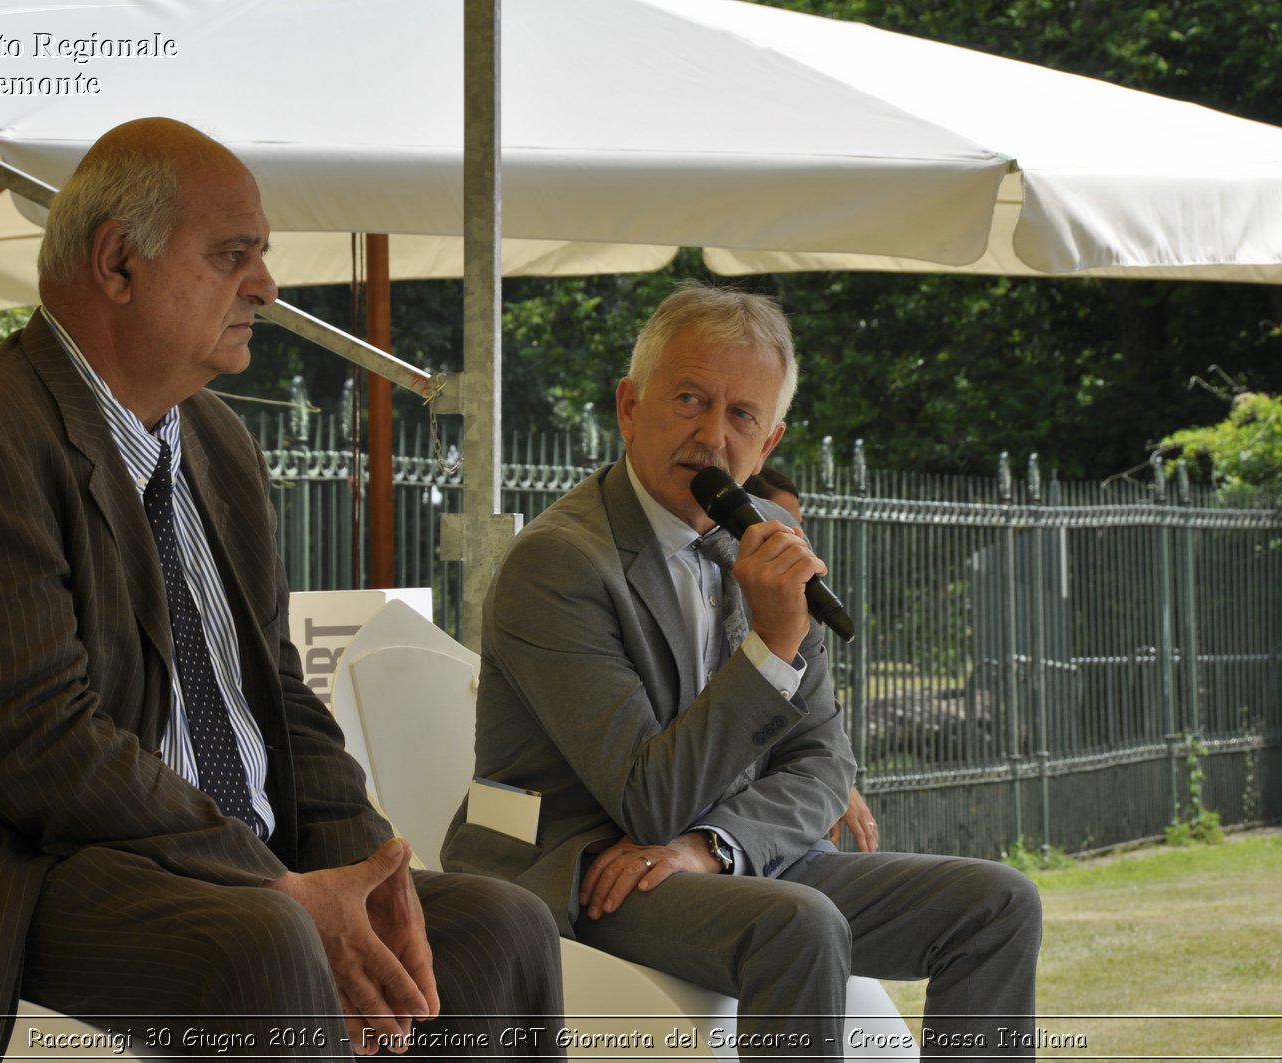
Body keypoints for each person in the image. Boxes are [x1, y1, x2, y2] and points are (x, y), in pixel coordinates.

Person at [0, 118, 562, 1061]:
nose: (266, 287)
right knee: (264, 940)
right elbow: (31, 746)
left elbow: (275, 690)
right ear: (119, 263)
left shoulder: (215, 441)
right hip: (13, 879)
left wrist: (370, 872)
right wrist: (271, 883)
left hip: (200, 867)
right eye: (233, 255)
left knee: (501, 927)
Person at [443, 283, 1041, 1058]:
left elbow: (824, 764)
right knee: (798, 924)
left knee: (998, 903)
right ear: (629, 406)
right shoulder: (559, 562)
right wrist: (770, 647)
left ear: (769, 441)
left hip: (724, 856)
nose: (711, 434)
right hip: (582, 866)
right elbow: (645, 799)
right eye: (689, 398)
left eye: (741, 415)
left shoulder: (771, 535)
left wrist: (715, 845)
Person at [743, 466, 879, 853]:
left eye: (797, 527)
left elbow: (820, 735)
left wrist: (834, 786)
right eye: (776, 527)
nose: (794, 542)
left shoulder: (796, 609)